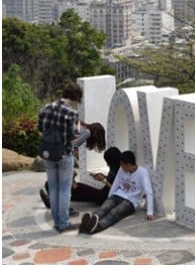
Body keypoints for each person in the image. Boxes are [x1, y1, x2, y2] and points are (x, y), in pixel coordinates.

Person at [37, 82, 82, 232]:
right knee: (64, 189)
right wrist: (78, 127)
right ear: (75, 98)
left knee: (54, 187)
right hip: (64, 155)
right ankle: (63, 223)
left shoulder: (45, 108)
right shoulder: (71, 113)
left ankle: (57, 222)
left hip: (48, 155)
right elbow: (74, 137)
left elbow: (40, 132)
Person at [79, 150, 155, 234]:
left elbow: (149, 191)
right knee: (104, 208)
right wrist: (109, 199)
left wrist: (150, 212)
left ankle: (96, 227)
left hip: (130, 201)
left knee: (114, 213)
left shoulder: (143, 172)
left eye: (122, 165)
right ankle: (88, 222)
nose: (121, 167)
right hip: (117, 195)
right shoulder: (121, 169)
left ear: (128, 165)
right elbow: (115, 184)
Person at [40, 146, 121, 209]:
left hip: (105, 197)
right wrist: (103, 177)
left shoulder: (120, 171)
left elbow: (117, 189)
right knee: (79, 193)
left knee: (79, 187)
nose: (107, 164)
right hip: (102, 193)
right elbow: (112, 181)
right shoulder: (114, 168)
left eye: (108, 161)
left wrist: (103, 180)